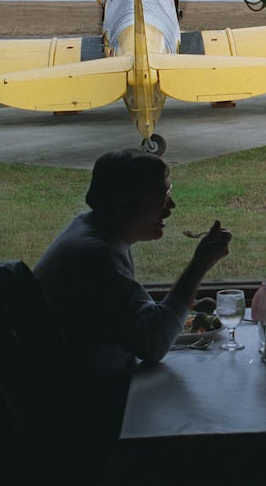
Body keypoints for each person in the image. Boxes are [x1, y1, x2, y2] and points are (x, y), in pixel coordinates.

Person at [33, 148, 231, 440]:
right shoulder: (95, 256)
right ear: (124, 204)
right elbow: (152, 343)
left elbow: (130, 317)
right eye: (162, 198)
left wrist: (179, 306)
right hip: (83, 415)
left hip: (85, 391)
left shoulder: (92, 232)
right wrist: (199, 265)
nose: (171, 206)